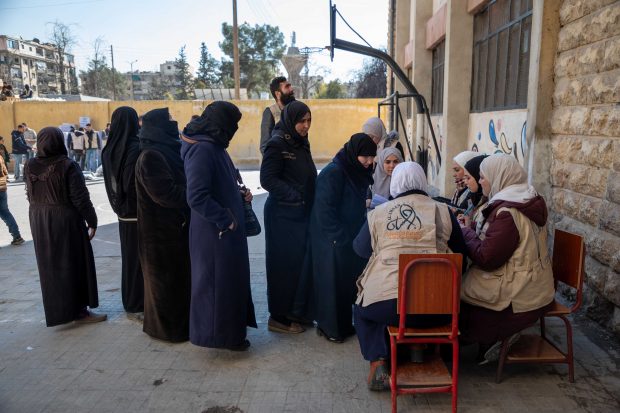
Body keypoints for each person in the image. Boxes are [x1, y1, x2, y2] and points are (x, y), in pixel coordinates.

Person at [352, 161, 467, 390]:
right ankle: (421, 347)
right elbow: (462, 255)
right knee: (428, 303)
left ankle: (378, 361)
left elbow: (360, 249)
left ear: (396, 183)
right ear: (422, 181)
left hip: (390, 306)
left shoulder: (379, 213)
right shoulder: (443, 211)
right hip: (440, 308)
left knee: (362, 309)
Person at [459, 154, 555, 364]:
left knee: (455, 296)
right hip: (536, 285)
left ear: (498, 177)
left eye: (483, 177)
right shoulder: (524, 198)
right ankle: (486, 342)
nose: (481, 180)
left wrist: (466, 232)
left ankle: (495, 340)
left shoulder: (508, 212)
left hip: (520, 294)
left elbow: (487, 257)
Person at [181, 101, 257, 351]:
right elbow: (197, 196)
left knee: (228, 284)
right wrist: (226, 219)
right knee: (217, 286)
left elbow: (219, 184)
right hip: (214, 233)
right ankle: (220, 337)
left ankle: (230, 334)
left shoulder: (214, 144)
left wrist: (239, 194)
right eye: (231, 124)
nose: (234, 129)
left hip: (224, 231)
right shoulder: (203, 149)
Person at [24, 127, 106, 326]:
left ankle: (60, 311)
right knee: (74, 263)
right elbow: (80, 197)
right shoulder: (67, 165)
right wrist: (92, 221)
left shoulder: (30, 165)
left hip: (38, 218)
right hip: (64, 219)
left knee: (50, 265)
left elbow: (29, 193)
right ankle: (79, 311)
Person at [309, 133, 377, 343]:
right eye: (365, 157)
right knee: (331, 284)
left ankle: (344, 326)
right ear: (354, 153)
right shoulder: (334, 172)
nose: (369, 161)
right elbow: (324, 210)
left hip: (348, 237)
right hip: (331, 239)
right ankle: (330, 329)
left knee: (345, 284)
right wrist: (339, 238)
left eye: (372, 157)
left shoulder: (354, 170)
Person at [260, 100, 316, 333]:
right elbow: (267, 180)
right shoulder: (276, 144)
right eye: (301, 121)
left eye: (308, 120)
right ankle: (279, 318)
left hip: (299, 214)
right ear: (290, 120)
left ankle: (297, 313)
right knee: (282, 267)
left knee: (298, 266)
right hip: (282, 215)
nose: (305, 126)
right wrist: (295, 195)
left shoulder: (300, 143)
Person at [135, 107, 191, 342]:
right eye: (168, 120)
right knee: (164, 286)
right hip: (159, 235)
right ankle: (169, 331)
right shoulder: (151, 156)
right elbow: (165, 194)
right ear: (158, 126)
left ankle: (179, 326)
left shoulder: (166, 150)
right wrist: (196, 194)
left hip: (173, 230)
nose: (174, 122)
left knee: (176, 283)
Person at [101, 107, 144, 317]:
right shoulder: (134, 147)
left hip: (122, 212)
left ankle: (130, 299)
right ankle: (138, 301)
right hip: (138, 211)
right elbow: (131, 182)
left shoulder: (110, 147)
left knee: (129, 258)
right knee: (141, 259)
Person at [259, 76, 295, 155]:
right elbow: (265, 146)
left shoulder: (296, 110)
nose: (291, 89)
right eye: (287, 87)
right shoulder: (270, 112)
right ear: (278, 94)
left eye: (290, 86)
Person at [0, 152, 25, 245]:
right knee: (6, 213)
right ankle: (17, 236)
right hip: (2, 188)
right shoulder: (0, 157)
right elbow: (5, 172)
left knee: (5, 213)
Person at [458, 154, 488, 228]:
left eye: (468, 178)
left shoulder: (490, 204)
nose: (465, 181)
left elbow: (482, 237)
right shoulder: (475, 195)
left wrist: (467, 227)